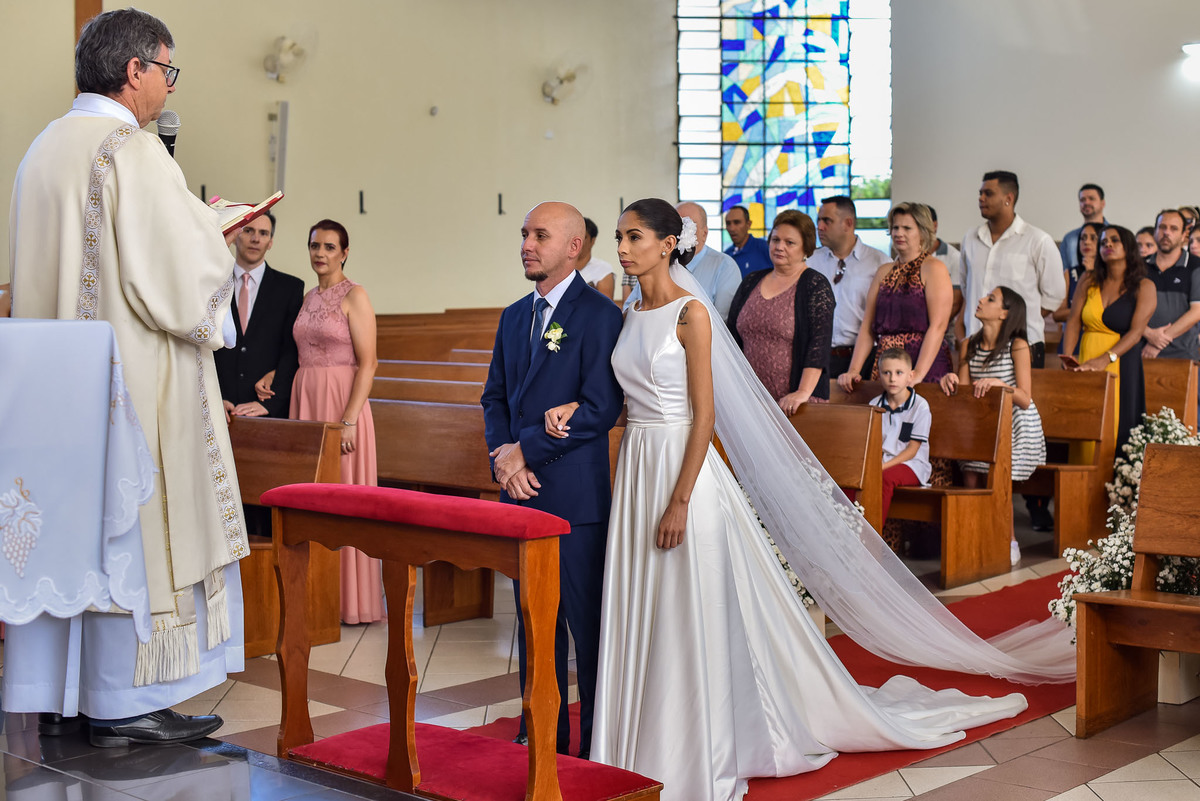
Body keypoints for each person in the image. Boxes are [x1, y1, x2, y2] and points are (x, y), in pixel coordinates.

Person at [556, 199, 1071, 801]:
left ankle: (693, 741)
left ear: (668, 244)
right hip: (638, 469)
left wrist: (679, 500)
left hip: (680, 474)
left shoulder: (690, 314)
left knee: (683, 605)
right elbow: (629, 398)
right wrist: (581, 413)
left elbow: (704, 417)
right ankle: (636, 740)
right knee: (642, 601)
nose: (621, 247)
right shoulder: (629, 311)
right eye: (618, 236)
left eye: (634, 236)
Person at [6, 8, 247, 746]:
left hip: (55, 393)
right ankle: (122, 700)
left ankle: (61, 692)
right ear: (134, 69)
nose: (166, 88)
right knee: (132, 527)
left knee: (74, 531)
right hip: (131, 388)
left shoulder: (41, 149)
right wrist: (218, 230)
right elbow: (177, 281)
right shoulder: (132, 150)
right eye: (165, 71)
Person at [481, 201, 624, 760]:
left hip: (572, 496)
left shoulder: (599, 315)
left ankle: (592, 741)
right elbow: (494, 396)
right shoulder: (515, 315)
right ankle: (542, 731)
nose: (526, 244)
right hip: (518, 493)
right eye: (523, 234)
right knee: (532, 624)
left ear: (573, 248)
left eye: (540, 235)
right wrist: (502, 456)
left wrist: (524, 452)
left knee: (583, 628)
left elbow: (598, 408)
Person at [288, 220, 381, 624]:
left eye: (329, 246)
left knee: (343, 497)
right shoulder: (307, 297)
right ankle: (316, 596)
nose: (320, 253)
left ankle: (351, 601)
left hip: (343, 403)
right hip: (305, 397)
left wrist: (349, 420)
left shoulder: (354, 295)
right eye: (314, 246)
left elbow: (369, 363)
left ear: (344, 252)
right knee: (311, 497)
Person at [960, 170, 1064, 532]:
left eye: (988, 193)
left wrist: (1015, 324)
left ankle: (1032, 509)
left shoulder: (1037, 240)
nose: (981, 198)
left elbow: (1053, 296)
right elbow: (966, 286)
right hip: (977, 342)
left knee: (1014, 423)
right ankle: (977, 519)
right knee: (980, 428)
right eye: (980, 192)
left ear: (1009, 198)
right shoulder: (970, 240)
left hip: (1021, 342)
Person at [941, 287, 1047, 565]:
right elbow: (965, 394)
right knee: (971, 474)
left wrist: (1002, 386)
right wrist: (950, 379)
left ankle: (1008, 539)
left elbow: (1024, 398)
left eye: (990, 299)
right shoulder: (968, 345)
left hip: (1017, 425)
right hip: (983, 421)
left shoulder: (1018, 344)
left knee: (997, 474)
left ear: (1004, 313)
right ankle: (973, 537)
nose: (980, 300)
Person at [726, 209, 834, 413]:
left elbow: (818, 345)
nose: (779, 247)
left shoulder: (815, 285)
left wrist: (802, 392)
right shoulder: (752, 281)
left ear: (806, 248)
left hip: (794, 404)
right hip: (750, 400)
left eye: (789, 243)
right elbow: (731, 337)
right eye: (775, 240)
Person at [837, 202, 953, 391]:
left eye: (907, 228)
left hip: (923, 361)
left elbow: (938, 326)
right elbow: (867, 326)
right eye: (895, 227)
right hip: (887, 363)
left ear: (923, 232)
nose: (898, 233)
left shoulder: (934, 268)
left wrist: (917, 374)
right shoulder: (883, 271)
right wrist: (854, 370)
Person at [1062, 225, 1157, 450]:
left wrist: (1106, 359)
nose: (1108, 245)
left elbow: (1136, 333)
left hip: (1121, 359)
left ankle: (1117, 482)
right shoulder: (1088, 279)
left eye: (1114, 241)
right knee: (1086, 424)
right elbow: (1074, 320)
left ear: (1129, 247)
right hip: (1087, 355)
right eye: (1103, 242)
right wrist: (1067, 355)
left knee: (1117, 425)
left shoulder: (1144, 286)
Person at [215, 211, 304, 421]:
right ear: (235, 235)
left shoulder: (290, 288)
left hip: (266, 408)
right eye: (249, 231)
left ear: (271, 242)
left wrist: (272, 403)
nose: (256, 239)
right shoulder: (213, 284)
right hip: (220, 406)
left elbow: (291, 352)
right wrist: (214, 397)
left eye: (263, 233)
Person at [809, 196, 891, 379]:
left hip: (865, 358)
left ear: (848, 223)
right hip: (819, 357)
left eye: (827, 221)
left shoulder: (879, 263)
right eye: (819, 221)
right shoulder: (811, 262)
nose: (820, 227)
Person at [624, 202, 741, 319]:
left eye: (686, 227)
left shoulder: (724, 265)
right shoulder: (657, 265)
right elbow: (629, 308)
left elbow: (723, 319)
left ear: (704, 234)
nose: (678, 233)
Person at [869, 348, 932, 523]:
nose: (892, 378)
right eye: (886, 373)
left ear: (910, 376)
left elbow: (912, 450)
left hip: (912, 464)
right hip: (881, 463)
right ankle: (847, 534)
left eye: (898, 373)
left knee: (884, 478)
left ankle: (872, 537)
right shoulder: (874, 405)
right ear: (879, 375)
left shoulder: (920, 406)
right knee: (854, 479)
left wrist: (882, 467)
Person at [1143, 209, 1200, 366]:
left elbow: (1197, 311)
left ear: (1183, 236)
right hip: (1142, 353)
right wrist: (1148, 333)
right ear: (1155, 232)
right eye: (1162, 227)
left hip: (1183, 355)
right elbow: (1128, 309)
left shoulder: (1196, 266)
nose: (1166, 233)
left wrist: (1157, 341)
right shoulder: (1139, 267)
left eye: (1173, 228)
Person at [1059, 183, 1107, 276]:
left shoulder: (1116, 236)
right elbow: (1063, 272)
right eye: (1082, 200)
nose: (1086, 203)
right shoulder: (1070, 239)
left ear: (1103, 203)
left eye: (1091, 199)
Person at [724, 204, 772, 277]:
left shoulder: (765, 248)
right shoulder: (726, 256)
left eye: (737, 222)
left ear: (748, 224)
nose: (732, 228)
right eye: (728, 223)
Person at [577, 217, 616, 299]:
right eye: (575, 236)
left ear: (593, 240)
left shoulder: (603, 269)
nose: (578, 241)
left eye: (584, 237)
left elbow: (605, 307)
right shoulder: (561, 267)